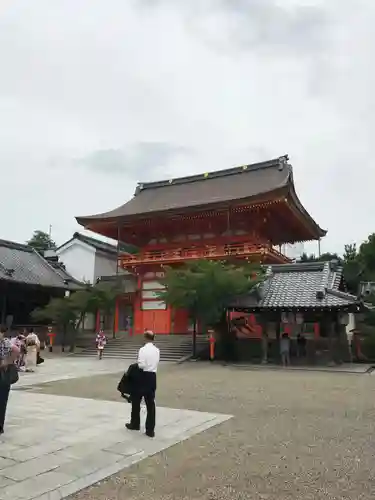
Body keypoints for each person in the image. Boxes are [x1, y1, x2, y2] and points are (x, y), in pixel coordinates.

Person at [126, 330, 160, 438]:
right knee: (150, 403)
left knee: (136, 400)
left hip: (142, 375)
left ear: (145, 338)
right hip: (152, 376)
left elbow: (141, 365)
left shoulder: (143, 350)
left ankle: (135, 423)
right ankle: (150, 429)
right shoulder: (157, 350)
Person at [0, 326, 19, 435]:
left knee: (2, 401)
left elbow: (16, 351)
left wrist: (6, 362)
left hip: (4, 375)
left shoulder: (6, 343)